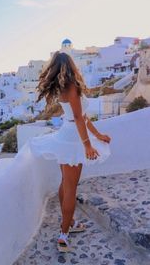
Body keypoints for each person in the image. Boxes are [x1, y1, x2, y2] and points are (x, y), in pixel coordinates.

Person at [30, 51, 111, 252]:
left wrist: (98, 135)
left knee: (66, 183)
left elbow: (82, 117)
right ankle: (64, 235)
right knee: (71, 188)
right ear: (71, 65)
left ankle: (70, 224)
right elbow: (78, 117)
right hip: (73, 138)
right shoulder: (72, 87)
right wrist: (87, 145)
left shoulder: (64, 88)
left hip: (66, 136)